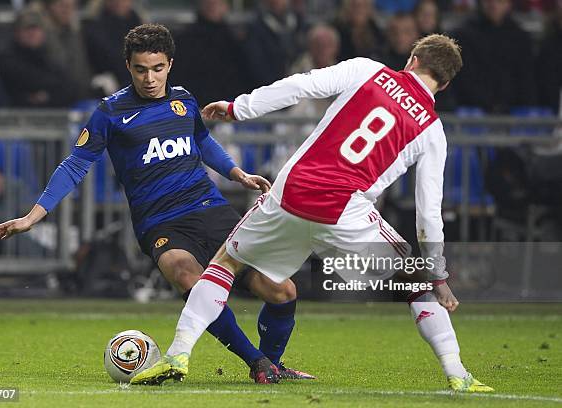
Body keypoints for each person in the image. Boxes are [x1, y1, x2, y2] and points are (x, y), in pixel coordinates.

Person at [131, 34, 494, 393]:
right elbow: (429, 211)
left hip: (291, 192)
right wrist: (438, 272)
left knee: (224, 264)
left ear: (412, 59)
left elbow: (300, 85)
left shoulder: (367, 70)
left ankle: (178, 354)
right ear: (443, 85)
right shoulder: (432, 130)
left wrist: (238, 108)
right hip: (345, 211)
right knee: (416, 283)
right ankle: (457, 373)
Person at [0, 23, 312, 383]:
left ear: (169, 64)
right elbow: (76, 164)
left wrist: (237, 173)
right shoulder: (110, 113)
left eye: (157, 68)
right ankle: (255, 362)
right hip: (160, 222)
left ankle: (272, 364)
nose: (149, 78)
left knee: (282, 290)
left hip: (210, 208)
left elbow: (202, 142)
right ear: (128, 66)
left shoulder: (184, 100)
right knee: (187, 275)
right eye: (141, 69)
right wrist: (34, 215)